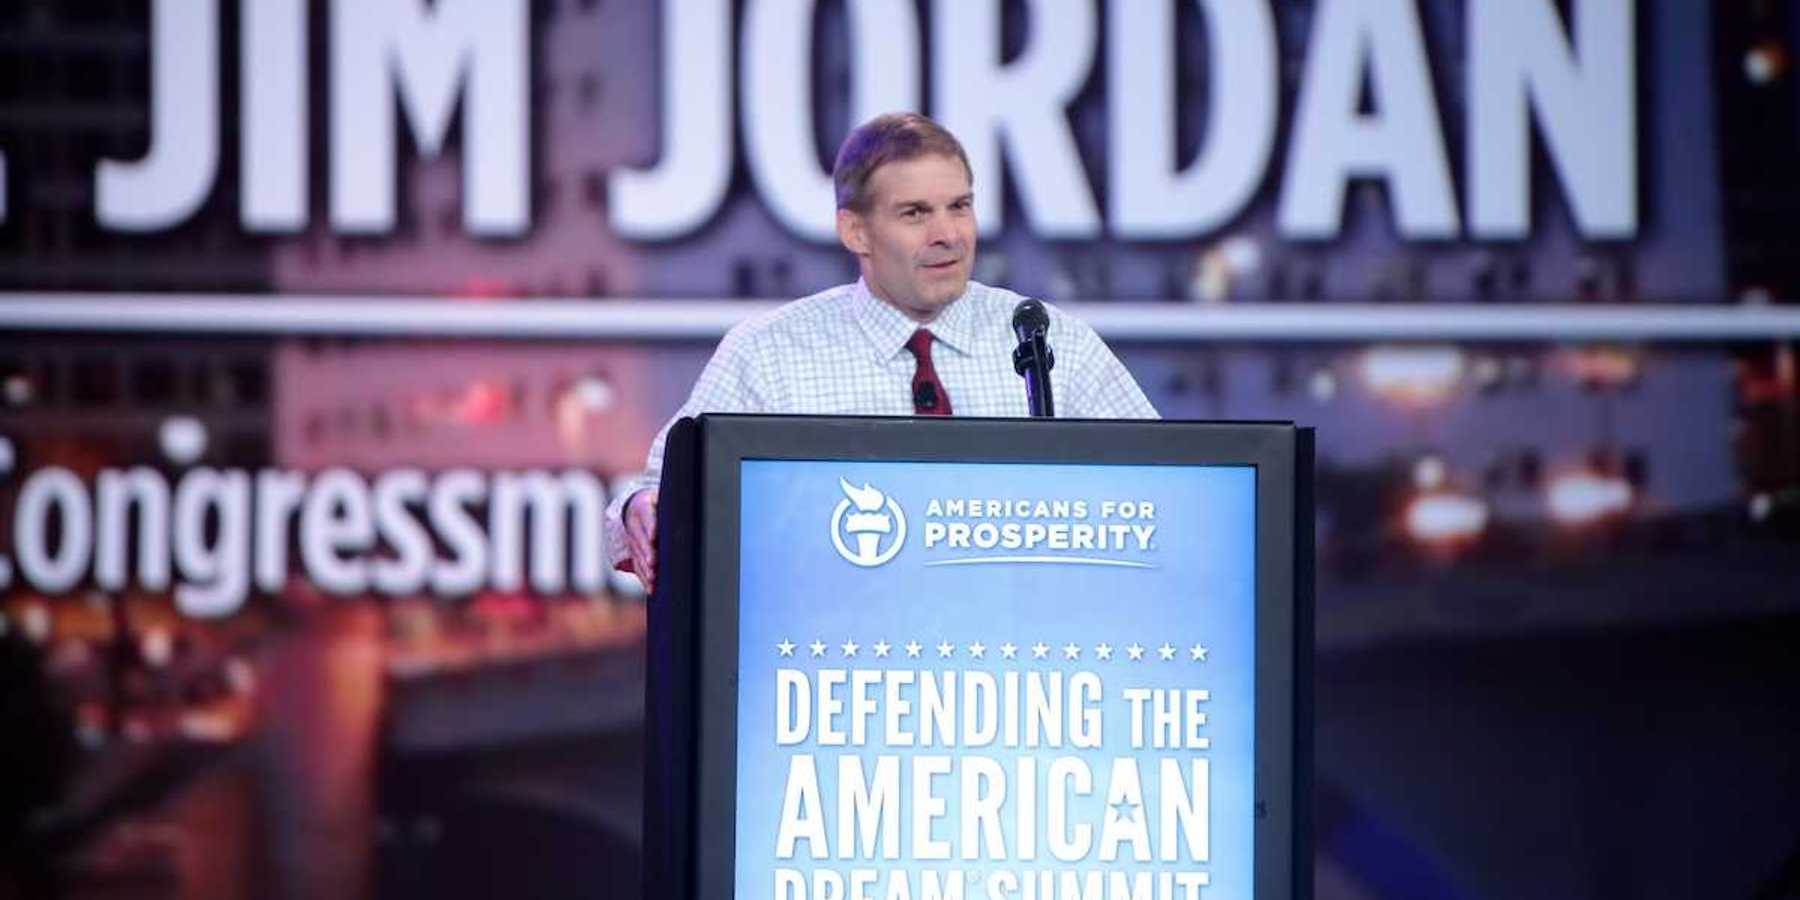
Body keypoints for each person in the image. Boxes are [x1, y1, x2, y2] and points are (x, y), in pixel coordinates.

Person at [604, 112, 1158, 591]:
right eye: (915, 213)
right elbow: (652, 495)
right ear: (856, 232)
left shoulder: (1048, 341)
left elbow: (1164, 488)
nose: (948, 234)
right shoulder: (770, 353)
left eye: (959, 206)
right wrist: (640, 512)